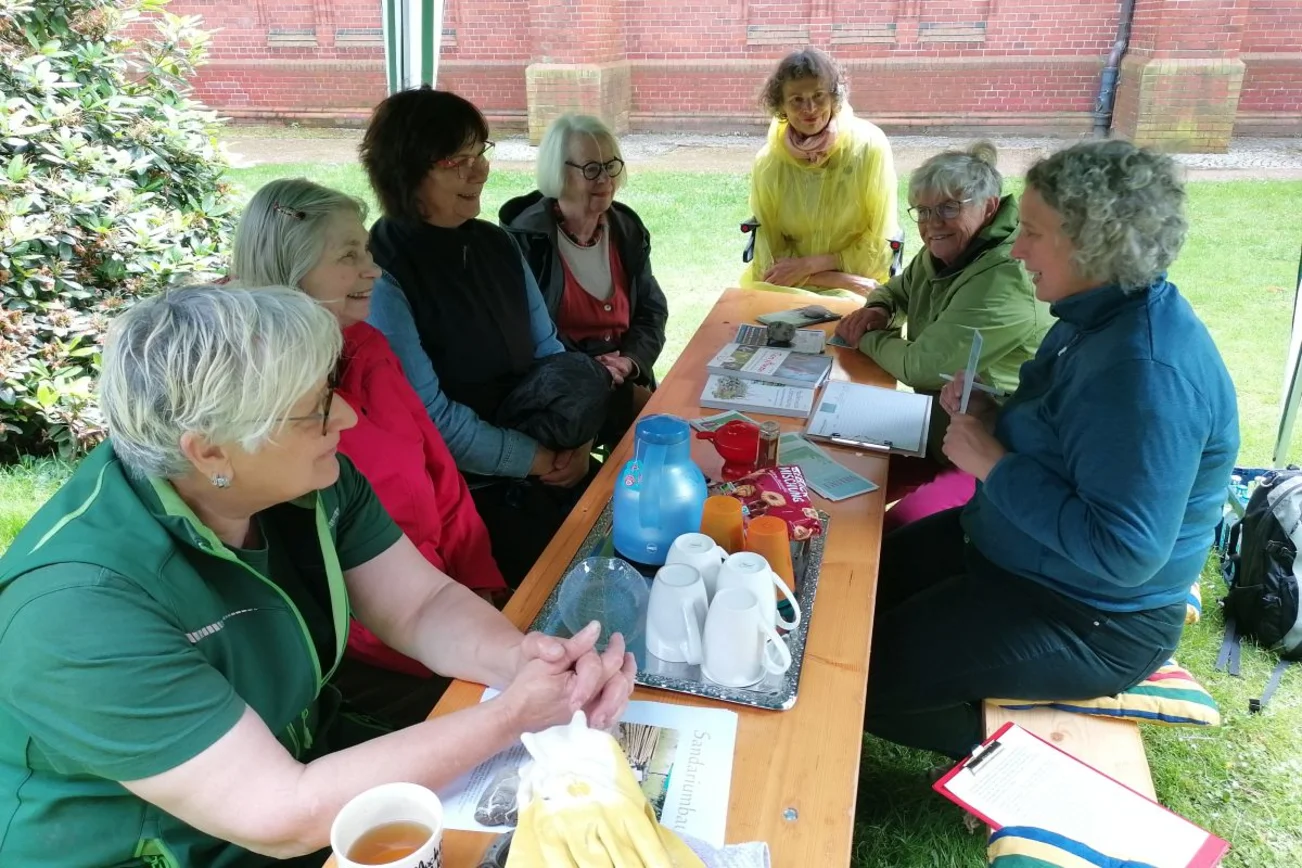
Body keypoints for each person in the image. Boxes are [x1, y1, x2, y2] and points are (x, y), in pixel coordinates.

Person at [0, 285, 635, 868]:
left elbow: (421, 605)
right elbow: (278, 814)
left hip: (312, 779)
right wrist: (510, 716)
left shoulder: (306, 480)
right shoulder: (76, 612)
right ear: (209, 449)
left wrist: (526, 661)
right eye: (315, 409)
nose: (348, 419)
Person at [863, 140, 1239, 758]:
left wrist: (993, 462)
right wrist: (991, 412)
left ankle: (1035, 761)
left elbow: (1124, 551)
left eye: (1032, 232)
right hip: (1007, 546)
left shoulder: (1143, 374)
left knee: (861, 675)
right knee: (845, 601)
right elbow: (1067, 433)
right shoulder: (1090, 312)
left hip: (1091, 615)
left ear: (1094, 244)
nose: (1015, 248)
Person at [230, 178, 510, 727]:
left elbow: (438, 470)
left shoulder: (368, 346)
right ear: (292, 271)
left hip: (438, 601)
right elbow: (318, 577)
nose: (373, 270)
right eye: (349, 256)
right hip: (376, 645)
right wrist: (441, 647)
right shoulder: (259, 402)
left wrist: (477, 580)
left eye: (369, 251)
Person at [360, 88, 606, 586]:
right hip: (468, 493)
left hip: (545, 459)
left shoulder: (496, 244)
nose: (479, 172)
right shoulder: (382, 276)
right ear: (407, 171)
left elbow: (549, 353)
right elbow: (433, 420)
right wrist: (535, 460)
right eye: (457, 160)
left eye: (481, 154)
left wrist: (575, 440)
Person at [834, 142, 1052, 531]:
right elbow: (895, 289)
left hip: (989, 452)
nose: (933, 223)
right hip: (934, 429)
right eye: (924, 211)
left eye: (949, 208)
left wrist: (862, 336)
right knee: (831, 483)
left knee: (888, 532)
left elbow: (923, 366)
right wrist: (879, 310)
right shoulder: (947, 250)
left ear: (988, 207)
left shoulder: (1006, 273)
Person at [500, 114, 670, 449]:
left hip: (626, 379)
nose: (605, 178)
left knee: (676, 424)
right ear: (558, 172)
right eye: (591, 168)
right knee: (662, 430)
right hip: (562, 395)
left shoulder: (626, 229)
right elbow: (522, 338)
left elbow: (652, 310)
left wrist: (630, 361)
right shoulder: (526, 242)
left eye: (611, 165)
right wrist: (592, 372)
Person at [741, 47, 900, 299]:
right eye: (796, 100)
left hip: (858, 289)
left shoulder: (870, 147)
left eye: (818, 95)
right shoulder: (769, 162)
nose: (810, 108)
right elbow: (767, 263)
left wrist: (807, 267)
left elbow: (877, 252)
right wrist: (834, 278)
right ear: (780, 105)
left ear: (834, 98)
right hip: (801, 287)